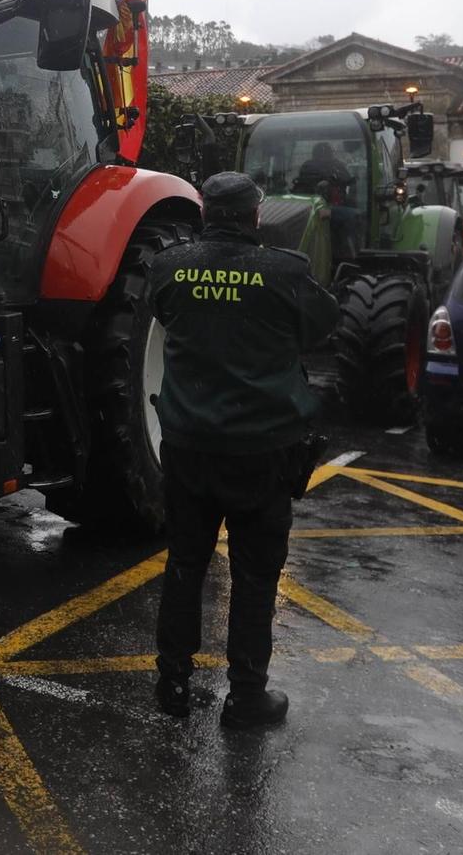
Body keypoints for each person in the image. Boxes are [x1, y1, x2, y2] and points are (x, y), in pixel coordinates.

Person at [149, 171, 341, 728]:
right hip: (262, 449)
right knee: (256, 576)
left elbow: (167, 315)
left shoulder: (168, 267)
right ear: (256, 215)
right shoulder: (285, 271)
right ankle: (246, 696)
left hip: (188, 444)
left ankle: (173, 685)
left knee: (185, 563)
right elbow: (321, 327)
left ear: (206, 212)